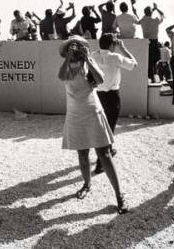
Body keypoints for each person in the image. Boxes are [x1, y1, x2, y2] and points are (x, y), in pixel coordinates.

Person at [58, 35, 128, 214]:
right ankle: (87, 184)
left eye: (78, 46)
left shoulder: (88, 63)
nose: (74, 49)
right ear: (66, 51)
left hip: (92, 111)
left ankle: (120, 195)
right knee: (82, 154)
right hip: (75, 113)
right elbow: (61, 76)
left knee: (104, 154)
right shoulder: (66, 66)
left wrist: (87, 59)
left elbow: (100, 79)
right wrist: (69, 58)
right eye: (71, 47)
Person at [90, 34, 138, 174]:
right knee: (109, 128)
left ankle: (109, 150)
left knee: (102, 127)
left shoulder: (93, 56)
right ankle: (101, 163)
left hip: (97, 96)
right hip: (112, 97)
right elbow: (134, 64)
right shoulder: (116, 57)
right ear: (112, 45)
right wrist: (123, 49)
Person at [139, 3, 164, 82]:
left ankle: (151, 76)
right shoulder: (156, 20)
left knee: (149, 61)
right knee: (154, 61)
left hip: (146, 42)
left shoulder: (143, 20)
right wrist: (156, 9)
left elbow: (143, 18)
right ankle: (152, 76)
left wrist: (152, 10)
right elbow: (162, 15)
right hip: (154, 41)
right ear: (151, 13)